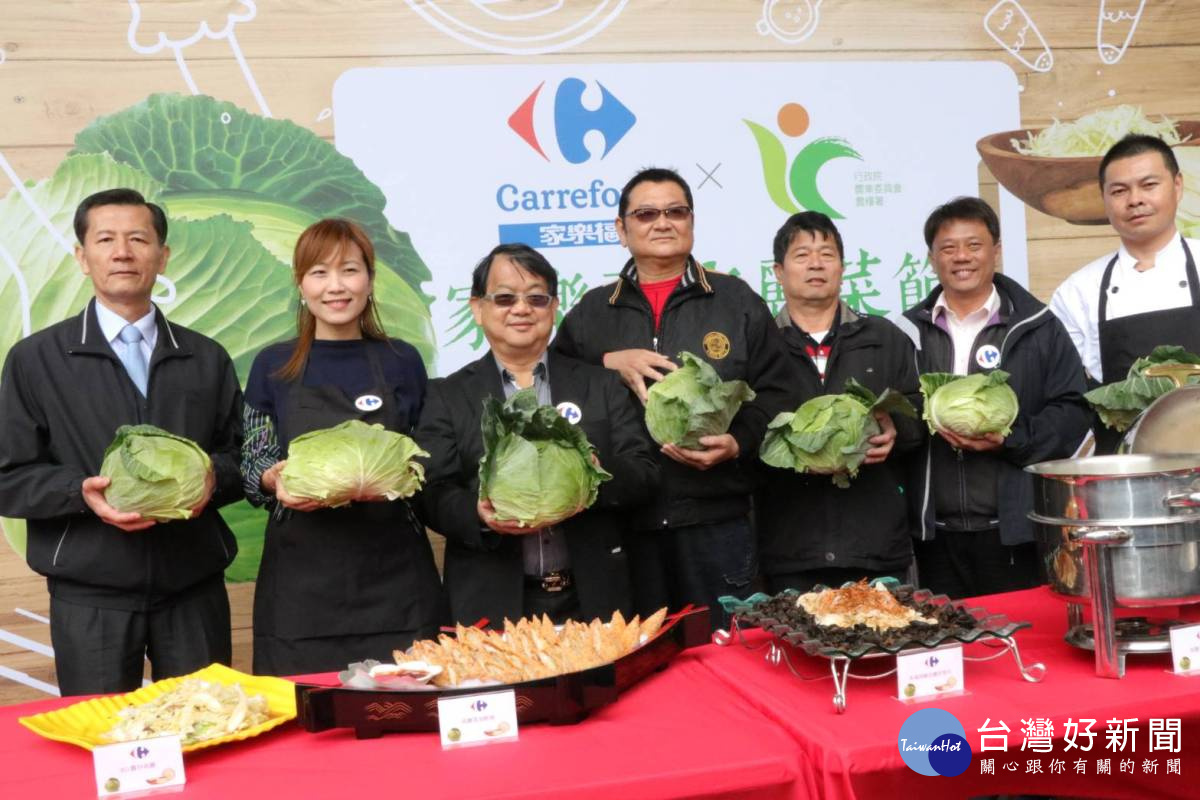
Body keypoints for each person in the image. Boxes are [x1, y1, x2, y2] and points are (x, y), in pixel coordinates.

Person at [0, 188, 242, 695]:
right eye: (105, 239)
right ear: (81, 257)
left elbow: (239, 457)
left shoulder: (206, 357)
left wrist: (209, 481)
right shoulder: (35, 360)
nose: (123, 252)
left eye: (138, 238)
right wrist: (79, 493)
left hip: (193, 587)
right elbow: (10, 478)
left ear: (163, 255)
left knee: (210, 730)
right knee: (104, 738)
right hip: (91, 594)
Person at [553, 167, 796, 627]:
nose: (662, 222)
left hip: (718, 519)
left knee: (731, 657)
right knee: (643, 668)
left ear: (691, 221)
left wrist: (739, 442)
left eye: (675, 211)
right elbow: (553, 384)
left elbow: (780, 395)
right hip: (625, 525)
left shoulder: (734, 299)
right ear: (622, 230)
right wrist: (608, 362)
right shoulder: (592, 311)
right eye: (645, 214)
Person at [414, 243, 658, 627]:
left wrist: (596, 476)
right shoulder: (447, 395)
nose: (522, 309)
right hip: (493, 605)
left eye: (537, 298)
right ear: (478, 308)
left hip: (596, 600)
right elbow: (432, 491)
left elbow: (644, 472)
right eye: (505, 298)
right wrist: (478, 516)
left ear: (555, 306)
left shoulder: (601, 385)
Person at [241, 218, 443, 675]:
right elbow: (253, 459)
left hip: (395, 579)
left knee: (407, 713)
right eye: (319, 273)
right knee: (309, 716)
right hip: (301, 587)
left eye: (349, 270)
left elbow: (427, 453)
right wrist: (273, 479)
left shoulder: (402, 360)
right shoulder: (272, 365)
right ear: (301, 284)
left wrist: (399, 479)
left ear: (370, 281)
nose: (336, 286)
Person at [903, 197, 1091, 598]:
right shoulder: (907, 332)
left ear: (996, 250)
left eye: (974, 245)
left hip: (1015, 533)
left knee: (1017, 641)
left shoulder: (1038, 327)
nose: (961, 257)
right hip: (933, 536)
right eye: (948, 248)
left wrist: (1012, 438)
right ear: (932, 258)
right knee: (945, 650)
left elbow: (1073, 412)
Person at [757, 212, 923, 593]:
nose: (815, 264)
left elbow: (920, 413)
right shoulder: (761, 345)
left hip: (876, 545)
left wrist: (898, 430)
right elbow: (748, 430)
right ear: (779, 272)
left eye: (826, 254)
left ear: (843, 268)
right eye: (802, 255)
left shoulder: (883, 337)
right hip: (790, 546)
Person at [1049, 134, 1200, 452]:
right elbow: (1066, 398)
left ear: (1177, 186)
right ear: (1104, 199)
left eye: (1148, 185)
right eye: (1119, 191)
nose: (1135, 200)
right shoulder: (1079, 291)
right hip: (1126, 477)